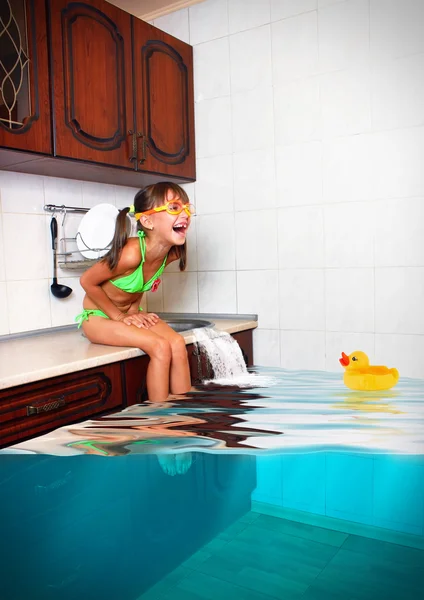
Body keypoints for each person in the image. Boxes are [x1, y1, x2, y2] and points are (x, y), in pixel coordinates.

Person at [75, 182, 195, 402]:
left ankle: (183, 412)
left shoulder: (171, 254)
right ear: (147, 221)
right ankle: (158, 420)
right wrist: (120, 316)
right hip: (98, 318)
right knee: (159, 346)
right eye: (175, 208)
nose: (185, 213)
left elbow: (137, 285)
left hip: (125, 315)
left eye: (188, 208)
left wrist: (133, 311)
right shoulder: (131, 253)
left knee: (177, 343)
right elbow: (87, 282)